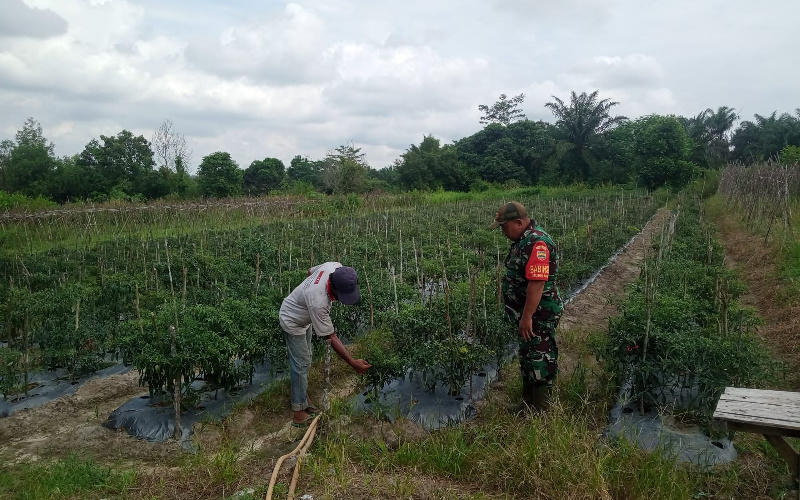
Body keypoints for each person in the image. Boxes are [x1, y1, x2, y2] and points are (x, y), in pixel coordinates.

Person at [490, 201, 563, 412]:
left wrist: (527, 317)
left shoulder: (536, 242)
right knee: (528, 356)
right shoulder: (524, 240)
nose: (503, 231)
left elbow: (537, 283)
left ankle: (541, 411)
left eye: (504, 226)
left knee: (540, 357)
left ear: (519, 222)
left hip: (539, 313)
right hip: (529, 314)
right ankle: (527, 404)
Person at [279, 262, 372, 426]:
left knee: (306, 359)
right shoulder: (318, 301)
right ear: (334, 287)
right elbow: (330, 337)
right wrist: (352, 362)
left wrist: (306, 298)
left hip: (304, 317)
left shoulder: (334, 267)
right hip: (292, 320)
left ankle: (302, 398)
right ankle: (298, 414)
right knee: (301, 364)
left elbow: (310, 272)